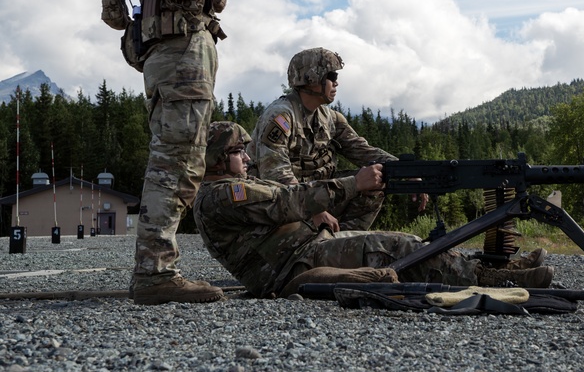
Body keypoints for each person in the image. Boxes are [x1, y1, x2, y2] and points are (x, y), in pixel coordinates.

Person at [194, 122, 555, 299]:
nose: (246, 156)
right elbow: (286, 201)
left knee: (399, 241)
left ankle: (489, 268)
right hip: (294, 265)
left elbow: (288, 193)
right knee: (397, 247)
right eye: (238, 151)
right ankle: (497, 281)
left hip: (301, 251)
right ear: (217, 159)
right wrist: (354, 184)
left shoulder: (226, 188)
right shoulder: (224, 195)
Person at [125, 0, 234, 305]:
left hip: (188, 46)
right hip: (178, 50)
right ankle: (154, 272)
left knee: (185, 158)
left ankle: (159, 268)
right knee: (174, 160)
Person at [250, 47, 397, 232]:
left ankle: (342, 243)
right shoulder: (281, 117)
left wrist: (406, 171)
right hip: (280, 201)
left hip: (315, 194)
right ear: (312, 78)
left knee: (374, 181)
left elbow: (363, 151)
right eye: (332, 76)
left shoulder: (331, 118)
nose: (336, 84)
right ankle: (320, 246)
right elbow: (275, 175)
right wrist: (314, 208)